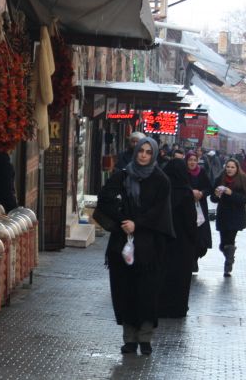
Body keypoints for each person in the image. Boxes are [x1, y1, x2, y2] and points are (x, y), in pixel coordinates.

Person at [96, 137, 173, 356]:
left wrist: (137, 224)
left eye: (149, 152)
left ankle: (145, 339)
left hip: (149, 247)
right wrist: (123, 220)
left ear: (154, 155)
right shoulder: (123, 175)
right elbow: (105, 199)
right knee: (125, 292)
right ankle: (129, 339)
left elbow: (160, 212)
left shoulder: (161, 180)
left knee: (147, 294)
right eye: (141, 151)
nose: (144, 155)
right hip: (123, 244)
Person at [158, 158, 197, 318]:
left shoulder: (162, 190)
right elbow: (190, 222)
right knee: (180, 278)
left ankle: (160, 306)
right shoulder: (186, 193)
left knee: (162, 275)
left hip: (164, 240)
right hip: (183, 244)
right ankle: (178, 308)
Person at [210, 158, 246, 277]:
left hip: (236, 215)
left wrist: (230, 193)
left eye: (232, 167)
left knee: (230, 239)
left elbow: (244, 199)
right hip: (223, 214)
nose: (230, 169)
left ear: (237, 168)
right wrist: (216, 195)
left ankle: (228, 265)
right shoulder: (220, 179)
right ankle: (229, 255)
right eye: (228, 167)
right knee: (223, 244)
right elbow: (213, 198)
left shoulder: (243, 179)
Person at [185, 151, 213, 270]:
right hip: (186, 207)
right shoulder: (183, 172)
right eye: (190, 160)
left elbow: (209, 188)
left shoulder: (201, 172)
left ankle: (195, 258)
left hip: (200, 208)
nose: (192, 162)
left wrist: (201, 193)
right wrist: (190, 192)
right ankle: (189, 260)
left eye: (194, 160)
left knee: (200, 236)